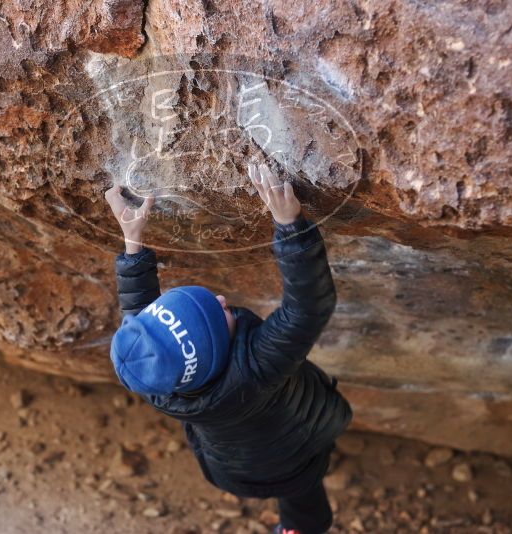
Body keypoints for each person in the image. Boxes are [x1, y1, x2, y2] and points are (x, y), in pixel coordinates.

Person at [105, 163, 353, 534]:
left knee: (290, 485)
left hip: (228, 467)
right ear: (216, 349)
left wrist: (132, 239)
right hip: (291, 458)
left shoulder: (157, 380)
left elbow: (142, 322)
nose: (222, 299)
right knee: (304, 501)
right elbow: (308, 308)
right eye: (218, 313)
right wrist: (291, 226)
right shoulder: (258, 366)